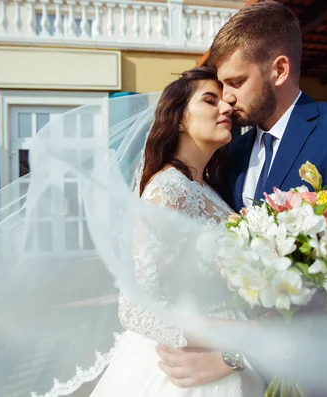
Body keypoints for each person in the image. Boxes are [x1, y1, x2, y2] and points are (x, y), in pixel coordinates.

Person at [155, 0, 327, 389]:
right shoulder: (231, 155)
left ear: (279, 69)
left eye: (237, 83)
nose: (227, 99)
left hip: (324, 377)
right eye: (221, 88)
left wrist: (237, 354)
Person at [88, 66, 266, 397]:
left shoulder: (209, 190)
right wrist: (245, 333)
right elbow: (135, 309)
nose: (225, 108)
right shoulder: (167, 189)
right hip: (186, 367)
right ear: (180, 119)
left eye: (225, 101)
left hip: (228, 358)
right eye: (210, 100)